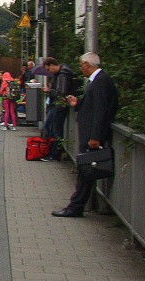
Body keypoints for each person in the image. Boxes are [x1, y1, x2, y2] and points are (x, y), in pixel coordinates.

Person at [52, 52, 119, 217]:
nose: (80, 68)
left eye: (81, 65)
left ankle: (76, 207)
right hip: (90, 133)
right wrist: (79, 103)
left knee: (86, 170)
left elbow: (101, 110)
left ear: (88, 65)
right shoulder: (98, 81)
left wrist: (95, 136)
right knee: (86, 170)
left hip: (91, 135)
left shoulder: (101, 82)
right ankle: (77, 205)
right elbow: (95, 105)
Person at [41, 57, 75, 160]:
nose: (48, 71)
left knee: (55, 129)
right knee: (53, 128)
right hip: (59, 105)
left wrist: (49, 91)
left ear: (52, 65)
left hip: (59, 105)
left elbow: (61, 93)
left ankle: (55, 154)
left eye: (48, 69)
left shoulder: (62, 75)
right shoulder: (62, 73)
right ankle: (54, 152)